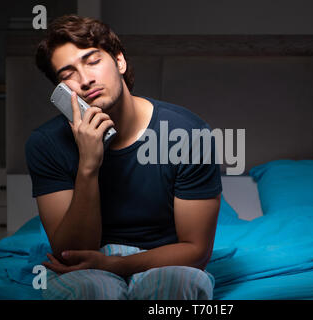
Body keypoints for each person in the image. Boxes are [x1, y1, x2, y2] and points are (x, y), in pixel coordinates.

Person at [25, 14, 222, 300]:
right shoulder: (45, 144)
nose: (85, 79)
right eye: (67, 75)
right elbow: (71, 251)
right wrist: (88, 165)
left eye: (93, 61)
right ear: (60, 90)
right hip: (87, 262)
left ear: (119, 61)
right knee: (88, 290)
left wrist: (115, 265)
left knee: (177, 285)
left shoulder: (188, 133)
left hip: (165, 259)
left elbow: (196, 250)